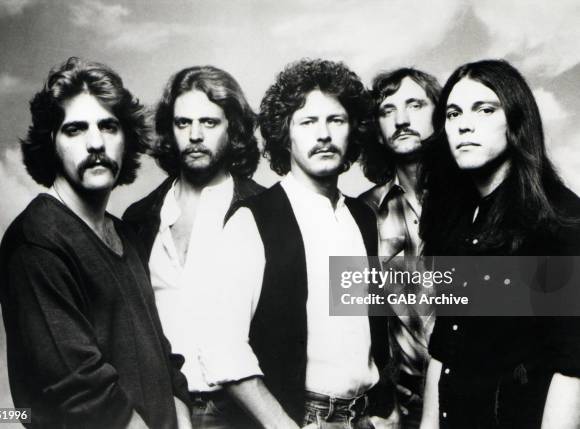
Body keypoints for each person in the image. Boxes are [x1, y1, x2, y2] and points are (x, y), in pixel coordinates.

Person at [0, 57, 191, 429]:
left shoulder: (125, 235)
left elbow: (161, 357)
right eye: (75, 129)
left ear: (125, 138)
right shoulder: (37, 240)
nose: (96, 142)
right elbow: (80, 391)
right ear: (51, 142)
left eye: (108, 126)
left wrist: (180, 416)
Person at [201, 59, 395, 428]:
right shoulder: (254, 219)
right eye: (307, 122)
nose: (323, 134)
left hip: (362, 417)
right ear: (285, 135)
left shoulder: (362, 217)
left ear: (352, 130)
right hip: (299, 418)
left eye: (335, 121)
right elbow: (223, 350)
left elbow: (363, 330)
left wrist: (385, 409)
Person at [419, 59, 580, 428]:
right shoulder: (454, 218)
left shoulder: (559, 219)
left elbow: (571, 367)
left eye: (485, 110)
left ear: (517, 121)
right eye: (453, 113)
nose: (464, 124)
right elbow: (444, 344)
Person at [123, 65, 263, 428]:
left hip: (243, 411)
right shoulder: (139, 218)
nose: (195, 135)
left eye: (209, 123)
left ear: (232, 128)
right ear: (170, 130)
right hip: (162, 410)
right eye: (183, 123)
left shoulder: (264, 211)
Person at [360, 68, 441, 429]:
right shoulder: (361, 212)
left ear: (441, 115)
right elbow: (359, 315)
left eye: (415, 104)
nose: (402, 119)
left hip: (479, 398)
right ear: (376, 129)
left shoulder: (477, 199)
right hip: (400, 410)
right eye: (388, 110)